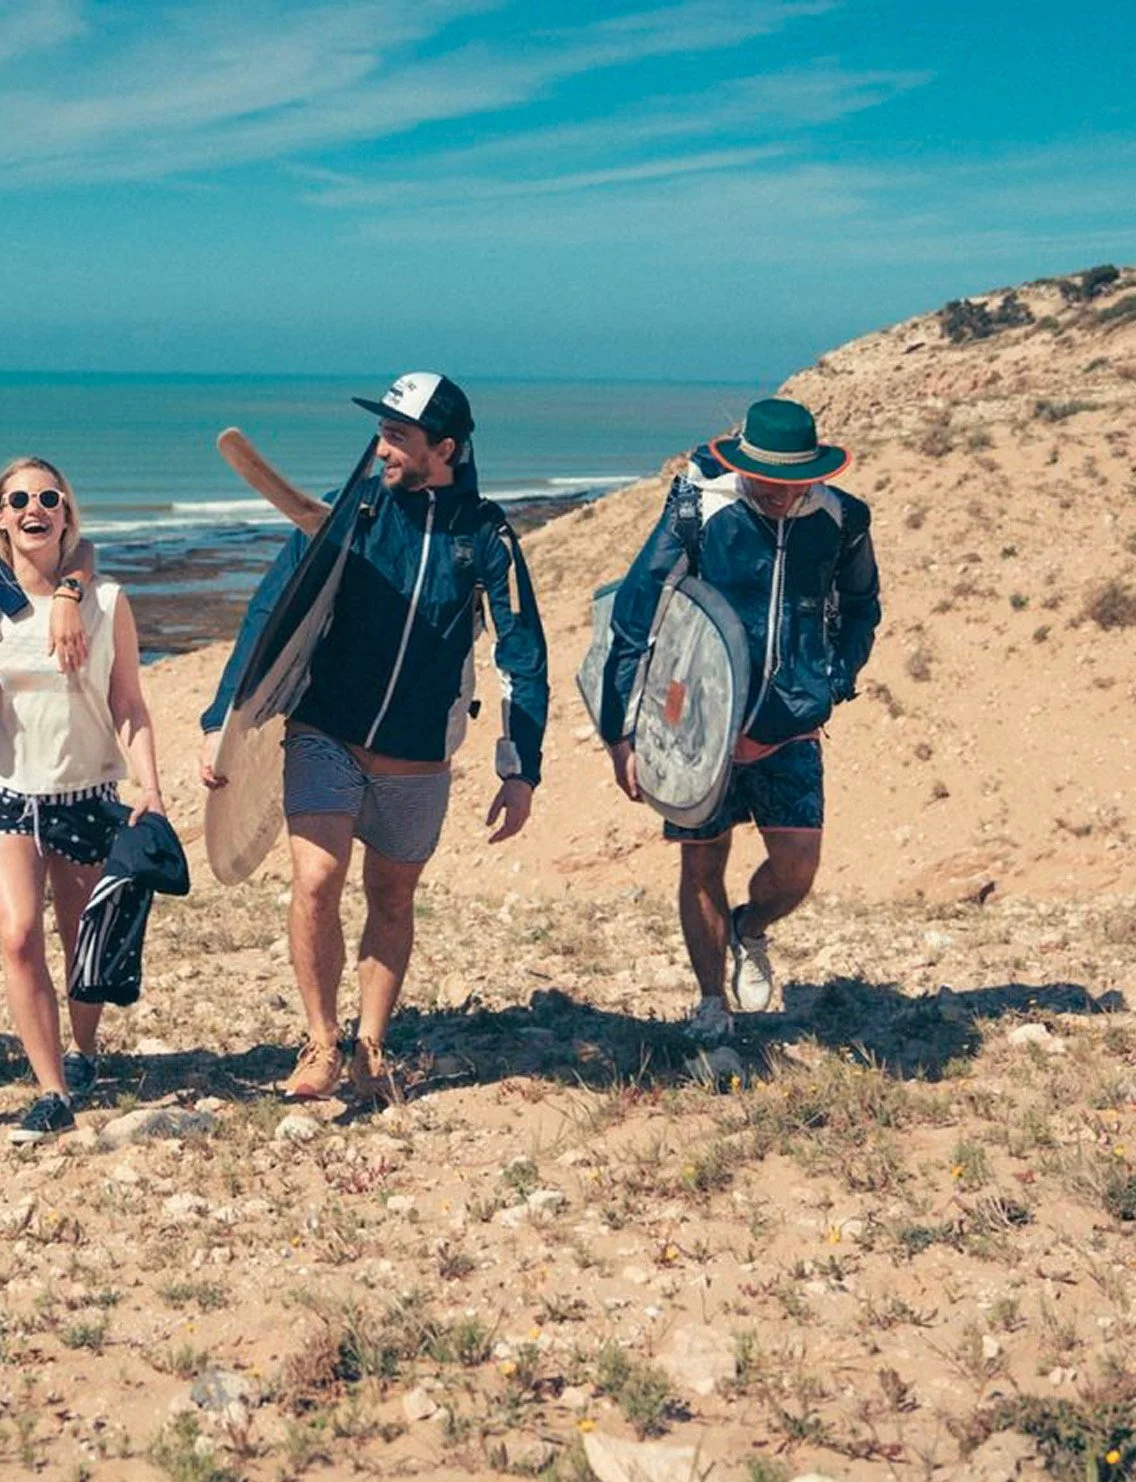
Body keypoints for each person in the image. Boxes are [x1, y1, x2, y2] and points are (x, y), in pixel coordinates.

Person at [199, 373, 549, 1103]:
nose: (382, 446)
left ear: (444, 448)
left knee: (391, 899)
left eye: (399, 435)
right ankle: (321, 1040)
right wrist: (223, 721)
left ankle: (371, 1045)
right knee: (317, 882)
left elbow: (523, 651)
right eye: (381, 432)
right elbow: (274, 608)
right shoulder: (355, 512)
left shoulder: (486, 536)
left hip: (419, 755)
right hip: (327, 729)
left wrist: (520, 768)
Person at [595, 397, 879, 1040]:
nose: (780, 495)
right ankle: (710, 1004)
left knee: (798, 867)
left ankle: (750, 930)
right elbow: (636, 611)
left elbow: (863, 605)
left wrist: (835, 679)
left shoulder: (842, 520)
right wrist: (621, 730)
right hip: (697, 726)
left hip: (790, 726)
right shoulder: (700, 510)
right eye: (768, 481)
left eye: (793, 482)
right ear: (745, 465)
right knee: (701, 865)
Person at [0, 457, 165, 1145]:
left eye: (49, 497)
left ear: (66, 514)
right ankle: (51, 1089)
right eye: (18, 498)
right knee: (19, 934)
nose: (35, 507)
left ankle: (82, 1054)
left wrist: (153, 789)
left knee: (83, 941)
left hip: (85, 792)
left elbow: (130, 703)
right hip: (2, 793)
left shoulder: (107, 602)